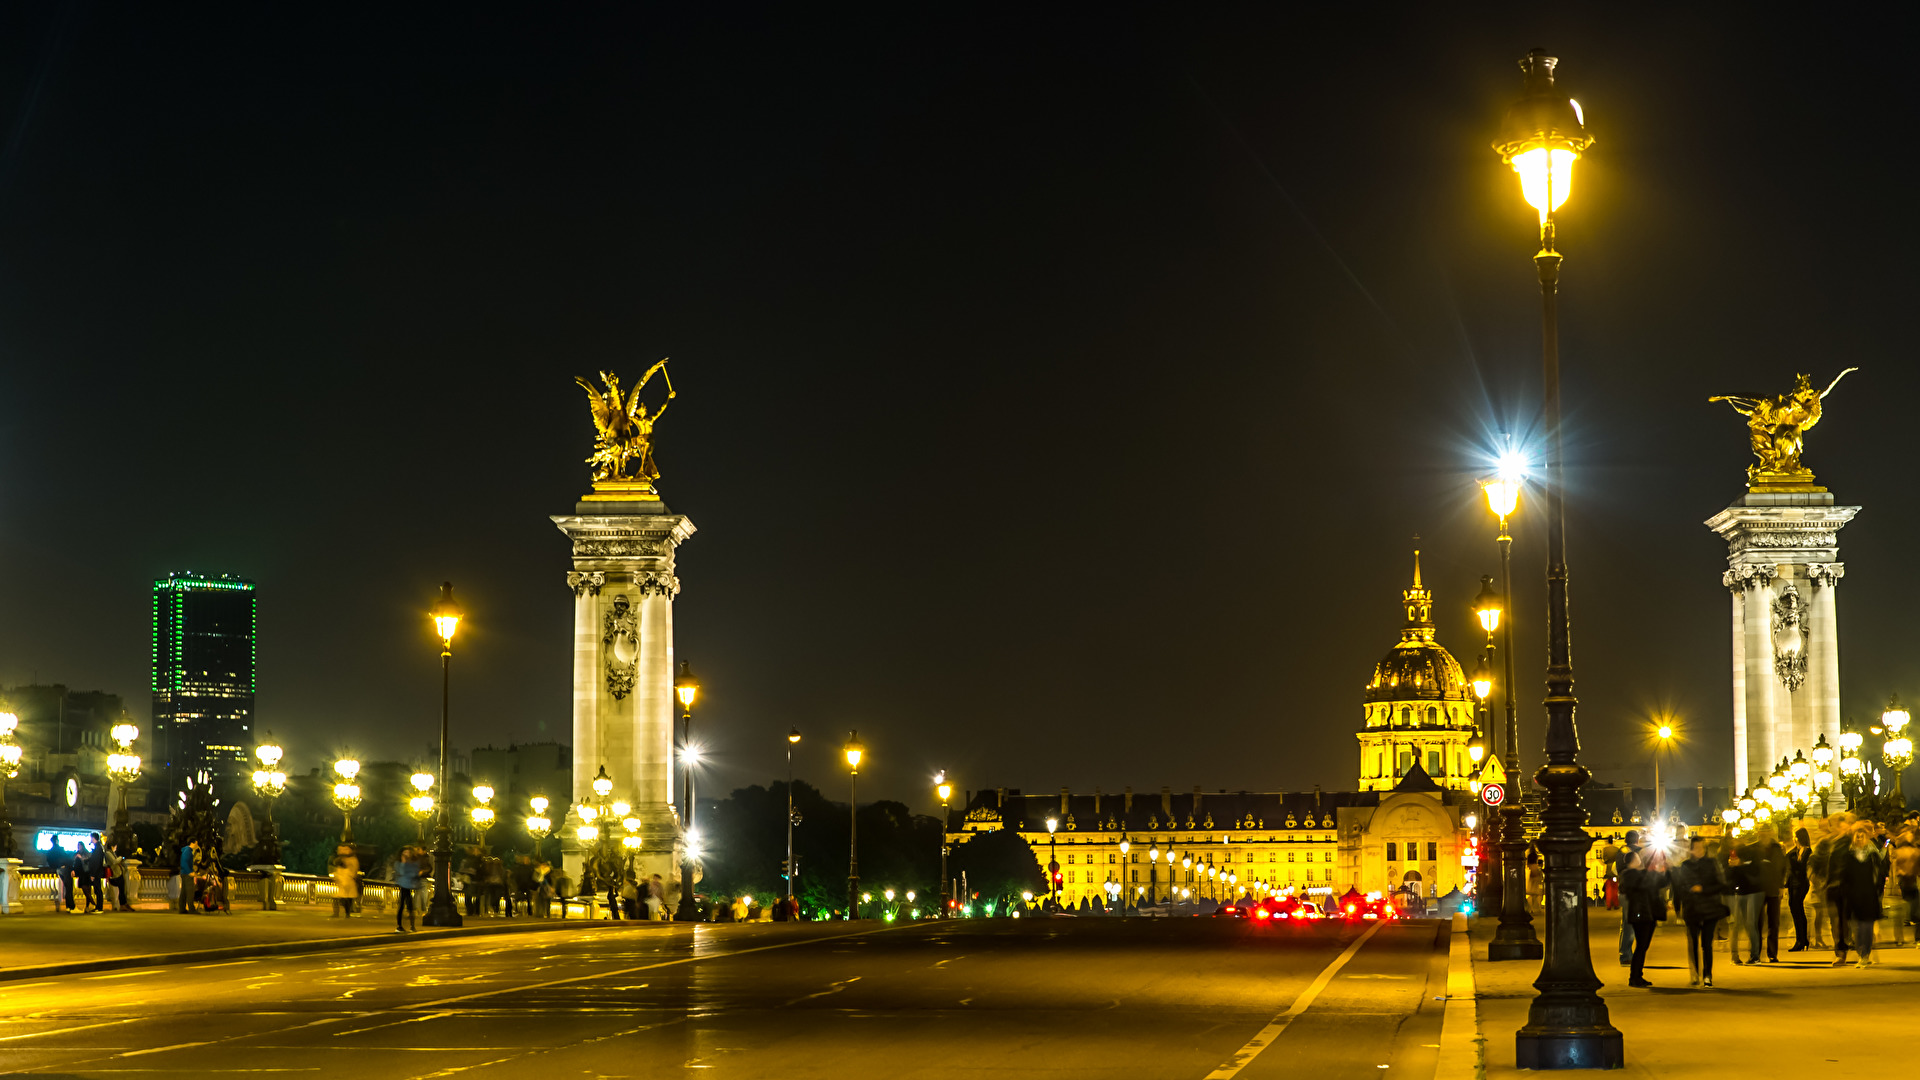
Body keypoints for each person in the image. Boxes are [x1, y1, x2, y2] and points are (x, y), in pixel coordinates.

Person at [1670, 835, 1727, 988]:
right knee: (1693, 942)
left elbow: (1721, 884)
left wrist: (1703, 889)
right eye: (1696, 848)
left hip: (1710, 908)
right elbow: (1678, 888)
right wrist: (1679, 907)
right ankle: (1695, 974)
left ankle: (1708, 975)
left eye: (1702, 847)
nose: (1699, 850)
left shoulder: (1712, 863)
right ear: (1691, 849)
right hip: (1692, 908)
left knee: (1707, 944)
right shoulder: (1685, 866)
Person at [1833, 821, 1886, 967]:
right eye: (1857, 837)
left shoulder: (1873, 855)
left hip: (1869, 895)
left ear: (1866, 838)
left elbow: (1879, 876)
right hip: (1853, 897)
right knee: (1857, 927)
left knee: (1867, 927)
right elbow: (1844, 876)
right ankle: (1861, 953)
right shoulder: (1848, 856)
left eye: (1862, 837)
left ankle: (1865, 955)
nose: (1859, 839)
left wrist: (1878, 892)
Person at [1620, 844, 1669, 988]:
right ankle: (1634, 977)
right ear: (1631, 861)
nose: (1639, 858)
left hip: (1648, 912)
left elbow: (1661, 882)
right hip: (1640, 913)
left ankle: (1637, 976)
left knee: (1643, 946)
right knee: (1641, 946)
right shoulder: (1629, 875)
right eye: (1636, 857)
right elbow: (1645, 883)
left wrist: (1664, 870)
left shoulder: (1641, 874)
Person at [1813, 813, 1854, 962]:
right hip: (1831, 886)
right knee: (1835, 921)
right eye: (1837, 823)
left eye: (1842, 822)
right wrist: (1820, 881)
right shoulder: (1827, 843)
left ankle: (1844, 947)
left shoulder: (1850, 841)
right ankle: (1840, 951)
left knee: (1844, 920)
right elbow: (1815, 862)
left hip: (1847, 886)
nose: (1840, 825)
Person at [1726, 842, 1761, 964]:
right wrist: (1732, 867)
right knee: (1737, 925)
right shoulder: (1737, 865)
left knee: (1749, 924)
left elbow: (1751, 877)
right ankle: (1737, 956)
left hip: (1748, 893)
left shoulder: (1750, 864)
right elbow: (1729, 879)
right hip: (1739, 894)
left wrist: (1737, 867)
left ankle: (1753, 955)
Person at [1614, 831, 1641, 966]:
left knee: (1626, 924)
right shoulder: (1635, 851)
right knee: (1630, 925)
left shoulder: (1621, 851)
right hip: (1632, 892)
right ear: (1637, 840)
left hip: (1624, 890)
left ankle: (1625, 954)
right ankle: (1626, 955)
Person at [1786, 827, 1813, 951]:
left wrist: (1791, 861)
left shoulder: (1807, 851)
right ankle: (1802, 939)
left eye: (1795, 836)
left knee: (1798, 910)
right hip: (1792, 884)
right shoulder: (1795, 851)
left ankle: (1801, 940)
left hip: (1801, 884)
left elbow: (1801, 867)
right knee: (1796, 910)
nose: (1793, 838)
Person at [394, 845, 422, 932]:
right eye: (405, 853)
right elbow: (402, 872)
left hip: (409, 885)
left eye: (408, 853)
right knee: (403, 905)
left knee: (409, 906)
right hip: (403, 885)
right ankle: (400, 926)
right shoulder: (398, 863)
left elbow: (414, 873)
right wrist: (403, 862)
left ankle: (411, 926)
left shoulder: (413, 863)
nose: (407, 854)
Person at [330, 844, 360, 917]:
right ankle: (342, 913)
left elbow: (353, 871)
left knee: (345, 898)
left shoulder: (352, 860)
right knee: (341, 898)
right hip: (343, 882)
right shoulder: (343, 860)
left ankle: (346, 913)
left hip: (347, 882)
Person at [177, 840, 199, 914]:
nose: (197, 845)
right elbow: (184, 862)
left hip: (184, 873)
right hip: (187, 874)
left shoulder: (186, 850)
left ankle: (182, 908)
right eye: (196, 843)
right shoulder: (188, 851)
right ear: (192, 843)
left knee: (184, 891)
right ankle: (191, 909)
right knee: (190, 892)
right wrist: (190, 872)